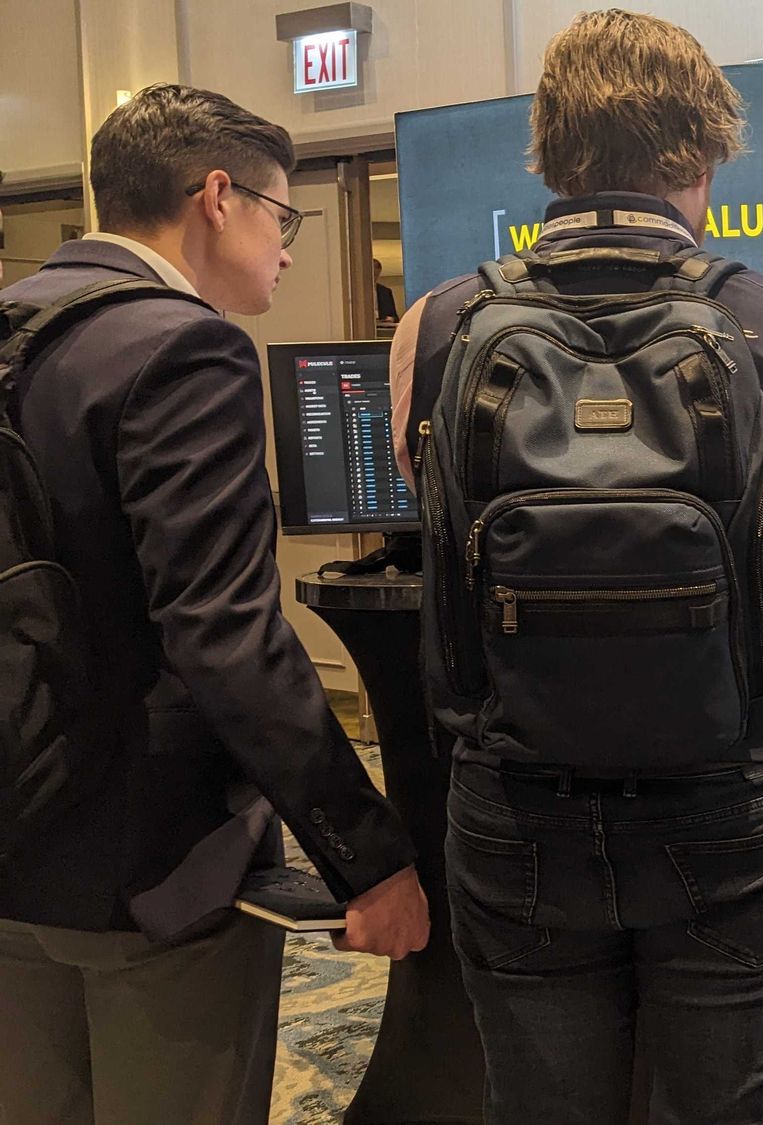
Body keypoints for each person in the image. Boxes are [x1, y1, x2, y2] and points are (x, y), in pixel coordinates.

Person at [389, 12, 763, 1123]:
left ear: (549, 154)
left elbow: (439, 528)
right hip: (733, 805)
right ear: (699, 157)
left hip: (515, 806)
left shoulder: (441, 327)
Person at [0, 83, 428, 1125]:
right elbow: (225, 634)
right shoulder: (182, 348)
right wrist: (367, 858)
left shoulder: (18, 327)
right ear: (218, 196)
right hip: (152, 864)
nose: (287, 249)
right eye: (284, 218)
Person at [373, 257, 399, 324]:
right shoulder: (358, 292)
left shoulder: (386, 292)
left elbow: (395, 316)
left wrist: (392, 319)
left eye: (376, 275)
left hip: (383, 326)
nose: (374, 277)